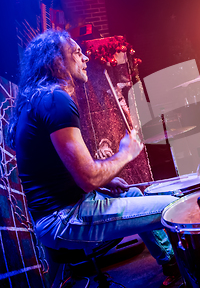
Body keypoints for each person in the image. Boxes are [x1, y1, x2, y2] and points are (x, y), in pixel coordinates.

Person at [7, 30, 181, 286]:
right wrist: (125, 153)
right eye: (77, 52)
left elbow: (59, 170)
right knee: (174, 207)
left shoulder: (38, 100)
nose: (85, 57)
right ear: (56, 61)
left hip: (56, 214)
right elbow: (87, 177)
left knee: (132, 195)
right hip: (64, 218)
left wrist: (106, 182)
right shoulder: (56, 100)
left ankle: (171, 264)